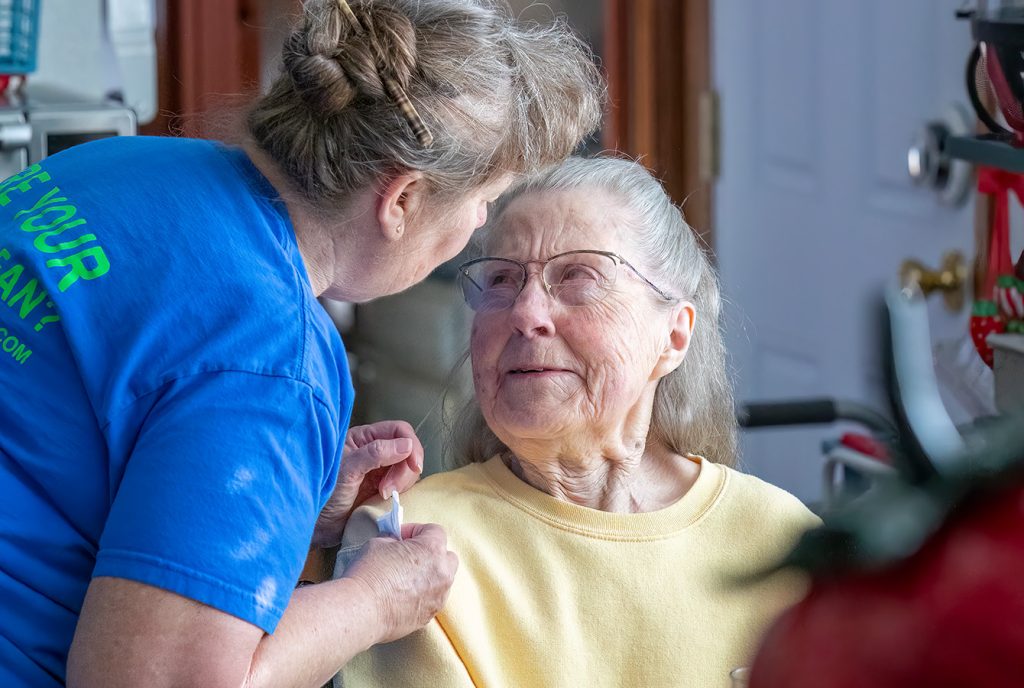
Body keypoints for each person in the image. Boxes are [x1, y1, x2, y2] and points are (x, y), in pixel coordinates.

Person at [0, 0, 603, 685]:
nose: (478, 222)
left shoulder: (119, 165)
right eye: (483, 199)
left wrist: (283, 500)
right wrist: (377, 600)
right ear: (401, 200)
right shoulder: (272, 358)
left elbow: (60, 434)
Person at [336, 156, 820, 687]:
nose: (525, 313)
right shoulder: (412, 549)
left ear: (674, 336)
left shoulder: (784, 539)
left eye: (578, 276)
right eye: (502, 280)